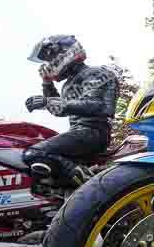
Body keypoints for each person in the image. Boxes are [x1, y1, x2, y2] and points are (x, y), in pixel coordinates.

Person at [23, 35, 119, 186]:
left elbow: (98, 105)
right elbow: (58, 108)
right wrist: (47, 84)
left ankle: (87, 180)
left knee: (35, 153)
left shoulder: (96, 73)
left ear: (66, 51)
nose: (49, 63)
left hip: (93, 132)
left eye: (50, 57)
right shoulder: (68, 84)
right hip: (80, 132)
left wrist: (50, 101)